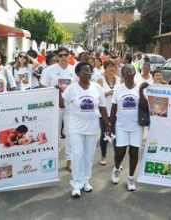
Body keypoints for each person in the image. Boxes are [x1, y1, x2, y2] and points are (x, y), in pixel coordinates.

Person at [59, 62, 112, 197]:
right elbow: (62, 104)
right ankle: (76, 184)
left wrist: (107, 124)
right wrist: (59, 92)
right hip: (76, 127)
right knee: (77, 154)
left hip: (92, 127)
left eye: (89, 71)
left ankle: (85, 181)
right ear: (78, 73)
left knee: (88, 156)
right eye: (84, 71)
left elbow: (102, 107)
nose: (88, 73)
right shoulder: (71, 88)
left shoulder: (97, 87)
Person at [110, 64, 149, 191]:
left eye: (131, 70)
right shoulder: (118, 89)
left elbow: (144, 107)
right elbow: (113, 109)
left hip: (137, 126)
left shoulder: (140, 87)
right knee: (120, 152)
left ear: (134, 73)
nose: (129, 72)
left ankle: (131, 178)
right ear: (122, 74)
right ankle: (116, 168)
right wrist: (110, 126)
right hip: (121, 126)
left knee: (134, 152)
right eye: (126, 70)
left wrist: (141, 91)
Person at [40, 46, 78, 172]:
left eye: (65, 55)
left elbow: (79, 87)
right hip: (54, 106)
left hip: (70, 106)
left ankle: (69, 160)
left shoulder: (74, 70)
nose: (63, 57)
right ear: (56, 56)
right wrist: (54, 89)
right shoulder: (49, 70)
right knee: (53, 133)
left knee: (69, 133)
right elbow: (42, 88)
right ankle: (53, 158)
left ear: (69, 56)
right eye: (60, 55)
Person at [97, 60, 121, 165]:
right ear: (105, 68)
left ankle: (117, 160)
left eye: (113, 66)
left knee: (116, 135)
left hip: (116, 112)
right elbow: (96, 96)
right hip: (104, 112)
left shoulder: (119, 80)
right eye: (109, 66)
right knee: (105, 134)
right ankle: (103, 156)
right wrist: (108, 93)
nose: (111, 68)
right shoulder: (100, 80)